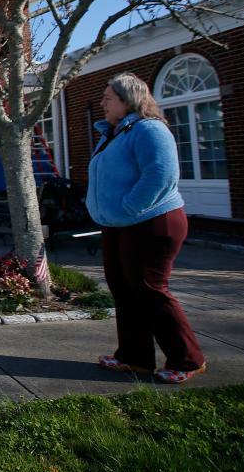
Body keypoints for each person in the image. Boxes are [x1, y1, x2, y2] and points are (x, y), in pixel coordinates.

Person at [86, 72, 206, 384]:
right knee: (123, 290)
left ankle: (188, 359)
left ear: (127, 101)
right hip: (118, 224)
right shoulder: (115, 133)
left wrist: (128, 208)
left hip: (151, 222)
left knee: (150, 289)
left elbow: (160, 175)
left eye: (107, 98)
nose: (102, 103)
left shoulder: (150, 130)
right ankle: (134, 358)